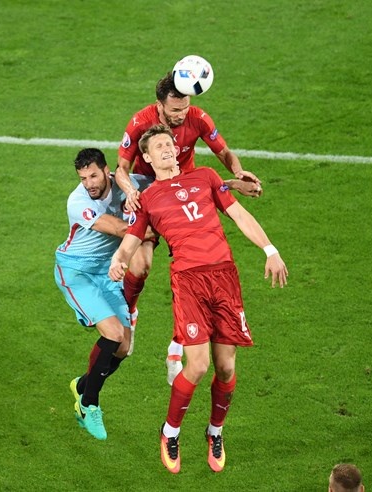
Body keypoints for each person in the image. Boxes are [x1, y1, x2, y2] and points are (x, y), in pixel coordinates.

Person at [108, 125, 288, 473]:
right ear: (147, 157)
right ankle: (170, 432)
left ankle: (214, 432)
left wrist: (270, 250)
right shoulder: (148, 198)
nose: (166, 148)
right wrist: (118, 261)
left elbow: (238, 214)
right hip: (189, 282)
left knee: (226, 367)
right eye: (158, 146)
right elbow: (132, 240)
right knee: (199, 365)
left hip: (224, 277)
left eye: (169, 143)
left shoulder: (205, 176)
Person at [115, 71, 264, 385]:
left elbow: (222, 153)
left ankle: (177, 347)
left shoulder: (198, 118)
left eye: (184, 108)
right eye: (174, 110)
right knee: (140, 265)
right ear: (159, 106)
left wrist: (238, 174)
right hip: (148, 191)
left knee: (191, 269)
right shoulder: (140, 122)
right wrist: (131, 192)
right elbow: (122, 168)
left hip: (184, 190)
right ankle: (129, 313)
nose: (181, 115)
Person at [54, 148, 152, 441]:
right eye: (83, 178)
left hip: (107, 272)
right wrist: (160, 229)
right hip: (76, 272)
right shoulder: (78, 202)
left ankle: (82, 386)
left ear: (107, 171)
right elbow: (121, 229)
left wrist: (229, 185)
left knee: (123, 348)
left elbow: (178, 187)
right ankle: (89, 405)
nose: (89, 184)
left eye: (93, 176)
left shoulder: (131, 184)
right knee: (113, 334)